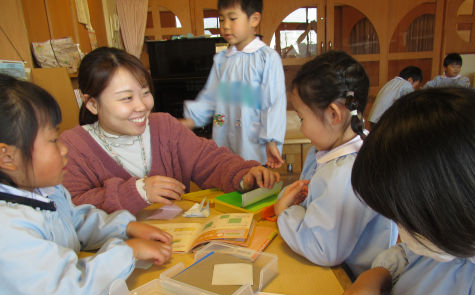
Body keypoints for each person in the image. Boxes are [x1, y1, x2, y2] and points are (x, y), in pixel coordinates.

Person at [0, 74, 174, 295]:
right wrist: (127, 251)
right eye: (52, 140)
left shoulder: (46, 189)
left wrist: (125, 227)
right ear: (8, 156)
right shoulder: (7, 227)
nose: (64, 149)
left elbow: (76, 220)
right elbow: (64, 290)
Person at [333, 87, 475, 295]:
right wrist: (376, 277)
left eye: (407, 222)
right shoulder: (440, 240)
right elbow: (408, 254)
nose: (402, 233)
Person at [61, 47, 280, 215]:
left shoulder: (164, 126)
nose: (142, 106)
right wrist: (137, 192)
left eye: (145, 93)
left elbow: (208, 160)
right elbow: (70, 208)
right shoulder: (72, 147)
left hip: (174, 249)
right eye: (126, 98)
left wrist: (244, 174)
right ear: (91, 104)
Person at [273, 51, 398, 277]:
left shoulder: (344, 174)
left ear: (333, 114)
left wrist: (284, 213)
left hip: (346, 282)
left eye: (302, 118)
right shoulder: (340, 149)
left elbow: (323, 249)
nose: (301, 127)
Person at [181, 0, 287, 168]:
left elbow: (273, 102)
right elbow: (211, 97)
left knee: (253, 188)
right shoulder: (222, 60)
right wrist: (191, 120)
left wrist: (271, 140)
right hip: (225, 140)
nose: (225, 26)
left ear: (254, 19)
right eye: (222, 19)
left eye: (232, 18)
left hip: (254, 146)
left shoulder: (266, 58)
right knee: (227, 182)